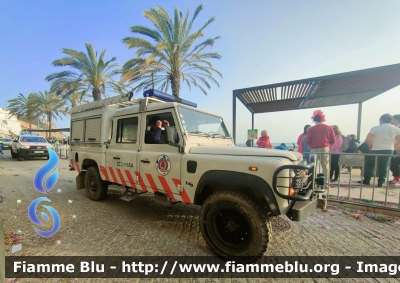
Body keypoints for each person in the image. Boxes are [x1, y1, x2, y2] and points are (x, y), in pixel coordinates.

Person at [359, 114, 400, 187]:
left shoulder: (375, 128)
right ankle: (381, 182)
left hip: (375, 149)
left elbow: (368, 139)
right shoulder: (396, 129)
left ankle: (366, 180)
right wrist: (394, 148)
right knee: (384, 166)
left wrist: (370, 147)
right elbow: (399, 140)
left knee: (370, 165)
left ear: (382, 120)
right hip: (388, 150)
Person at [306, 110, 336, 187]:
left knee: (313, 166)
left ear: (315, 120)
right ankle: (326, 183)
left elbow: (308, 140)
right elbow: (333, 140)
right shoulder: (329, 128)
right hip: (325, 148)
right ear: (323, 119)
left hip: (314, 149)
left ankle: (312, 183)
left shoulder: (311, 129)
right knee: (325, 166)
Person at [389, 114, 400, 185]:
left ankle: (397, 179)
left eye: (392, 119)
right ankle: (396, 179)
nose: (391, 120)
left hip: (397, 149)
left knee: (394, 164)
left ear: (396, 119)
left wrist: (397, 149)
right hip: (395, 148)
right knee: (393, 164)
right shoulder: (395, 128)